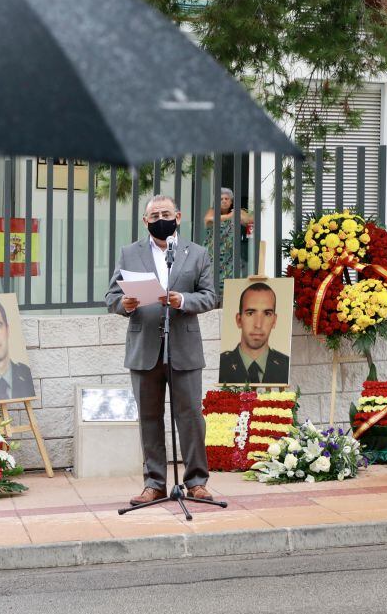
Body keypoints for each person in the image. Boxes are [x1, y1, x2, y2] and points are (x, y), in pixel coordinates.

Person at [105, 195, 217, 505]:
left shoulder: (197, 253)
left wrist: (183, 301)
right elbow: (111, 295)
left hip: (185, 347)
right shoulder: (130, 253)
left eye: (166, 213)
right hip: (145, 349)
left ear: (178, 217)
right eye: (153, 215)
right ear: (145, 221)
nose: (160, 218)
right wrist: (123, 304)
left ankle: (196, 481)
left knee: (191, 416)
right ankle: (153, 483)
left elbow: (209, 296)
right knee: (149, 418)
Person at [219, 282, 290, 384]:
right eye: (250, 313)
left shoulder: (285, 365)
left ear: (274, 321)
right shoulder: (222, 365)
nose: (258, 324)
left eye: (267, 313)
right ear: (239, 320)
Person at [203, 187, 255, 297]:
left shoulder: (236, 212)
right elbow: (208, 220)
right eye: (221, 199)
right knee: (212, 283)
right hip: (213, 255)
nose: (224, 201)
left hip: (229, 256)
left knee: (229, 285)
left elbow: (251, 221)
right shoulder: (213, 211)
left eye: (227, 198)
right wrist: (229, 216)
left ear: (231, 201)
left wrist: (241, 215)